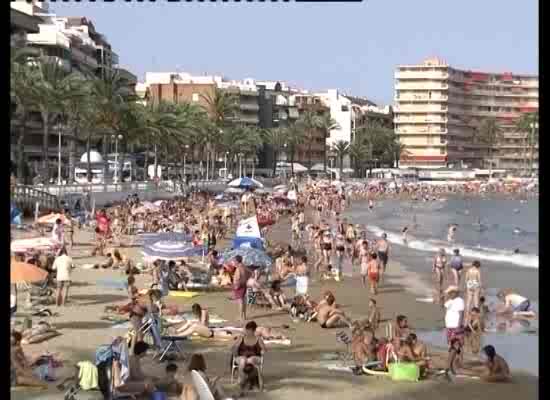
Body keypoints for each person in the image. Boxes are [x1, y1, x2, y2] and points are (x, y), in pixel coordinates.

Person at [232, 321, 266, 394]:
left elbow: (264, 349)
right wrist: (235, 351)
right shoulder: (241, 338)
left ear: (253, 330)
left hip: (255, 357)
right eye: (246, 330)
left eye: (249, 330)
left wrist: (263, 351)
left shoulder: (258, 339)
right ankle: (241, 379)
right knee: (243, 360)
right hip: (242, 357)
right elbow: (234, 348)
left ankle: (243, 380)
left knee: (252, 359)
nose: (247, 332)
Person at [444, 286, 465, 364]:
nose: (450, 294)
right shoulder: (449, 301)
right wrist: (445, 296)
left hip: (456, 326)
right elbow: (443, 306)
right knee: (451, 344)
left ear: (455, 293)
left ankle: (459, 361)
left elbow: (461, 314)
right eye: (449, 293)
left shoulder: (460, 301)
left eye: (451, 293)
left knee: (458, 344)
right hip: (449, 326)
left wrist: (459, 326)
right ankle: (453, 360)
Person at [232, 255, 250, 322]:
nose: (233, 262)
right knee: (243, 301)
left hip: (239, 285)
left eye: (234, 261)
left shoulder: (239, 268)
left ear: (237, 261)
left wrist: (236, 284)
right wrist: (245, 279)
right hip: (243, 284)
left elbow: (238, 277)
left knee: (240, 302)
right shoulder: (244, 267)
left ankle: (240, 317)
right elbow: (250, 273)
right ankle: (244, 316)